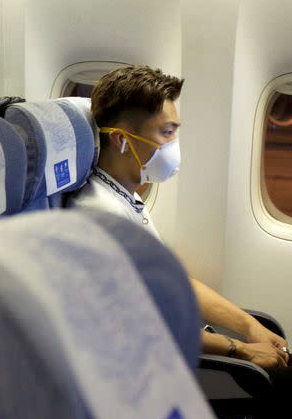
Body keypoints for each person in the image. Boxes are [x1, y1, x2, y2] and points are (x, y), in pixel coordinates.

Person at [68, 65, 289, 367]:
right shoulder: (99, 217)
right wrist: (242, 350)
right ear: (121, 140)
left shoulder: (126, 196)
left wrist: (250, 327)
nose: (173, 145)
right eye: (166, 132)